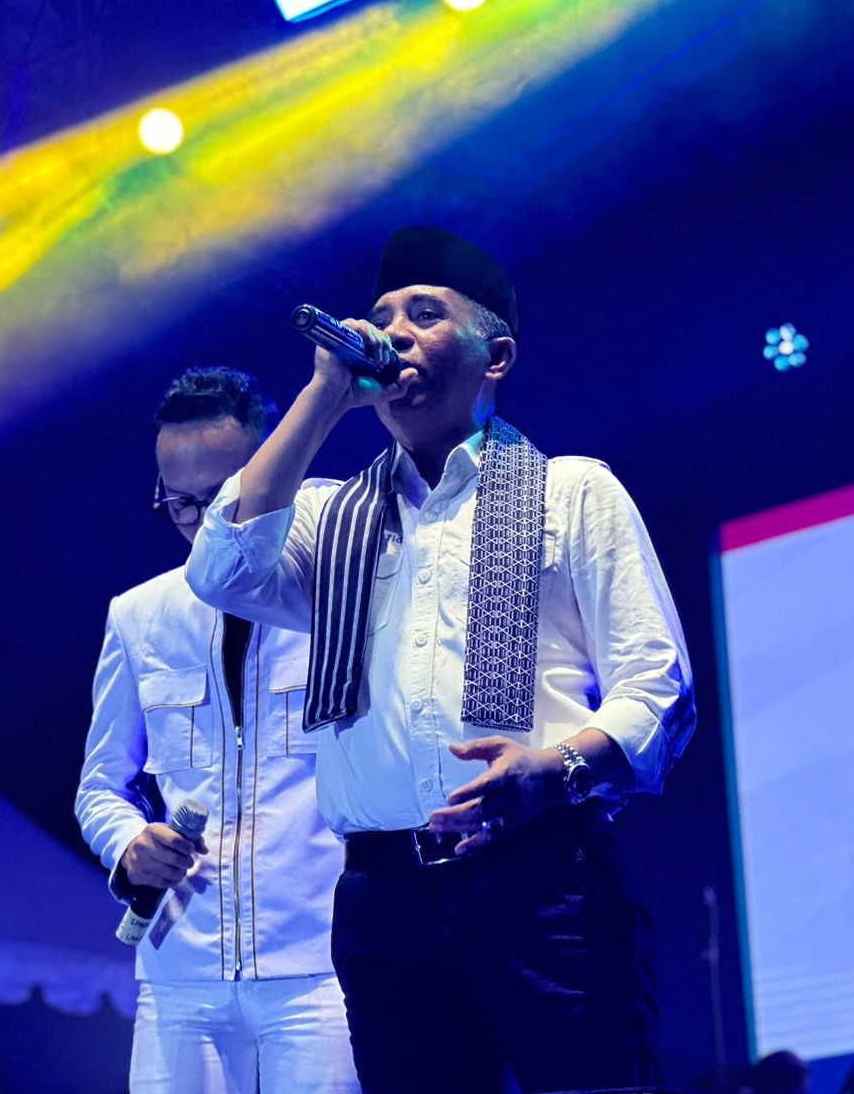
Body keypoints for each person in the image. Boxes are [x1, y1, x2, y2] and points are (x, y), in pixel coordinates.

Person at [186, 227, 695, 1093]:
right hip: (384, 900)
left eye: (425, 314)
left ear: (496, 356)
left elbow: (659, 688)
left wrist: (554, 770)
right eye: (382, 316)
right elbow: (221, 569)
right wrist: (324, 395)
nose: (393, 333)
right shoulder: (330, 517)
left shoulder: (572, 490)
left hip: (544, 876)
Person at [76, 367, 359, 1094]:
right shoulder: (139, 615)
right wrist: (128, 842)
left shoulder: (340, 598)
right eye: (180, 502)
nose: (202, 521)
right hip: (180, 969)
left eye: (221, 498)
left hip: (317, 966)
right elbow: (100, 786)